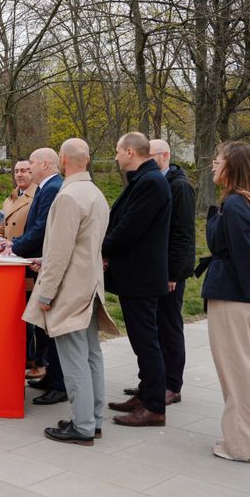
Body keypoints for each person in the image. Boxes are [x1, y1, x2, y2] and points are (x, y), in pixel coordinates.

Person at [24, 139, 118, 445]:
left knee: (75, 358)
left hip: (70, 290)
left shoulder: (67, 196)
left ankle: (82, 425)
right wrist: (45, 259)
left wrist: (45, 293)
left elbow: (61, 251)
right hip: (90, 286)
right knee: (91, 355)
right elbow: (79, 246)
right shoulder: (96, 194)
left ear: (63, 160)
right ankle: (93, 419)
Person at [203, 141, 250, 463]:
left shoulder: (234, 204)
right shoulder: (247, 202)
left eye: (218, 160)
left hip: (232, 297)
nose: (213, 164)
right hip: (242, 295)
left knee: (237, 372)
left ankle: (245, 446)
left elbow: (245, 254)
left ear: (232, 165)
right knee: (248, 370)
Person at [104, 132, 173, 427]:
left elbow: (129, 228)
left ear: (131, 151)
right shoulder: (145, 180)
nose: (117, 156)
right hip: (136, 275)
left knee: (146, 341)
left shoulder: (151, 183)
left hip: (141, 277)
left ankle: (155, 406)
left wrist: (99, 248)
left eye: (118, 151)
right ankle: (146, 393)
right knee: (141, 340)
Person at [122, 138, 196, 406]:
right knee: (152, 328)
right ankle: (152, 382)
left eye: (152, 155)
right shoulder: (153, 182)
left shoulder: (179, 186)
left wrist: (173, 274)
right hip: (154, 269)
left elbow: (182, 234)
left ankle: (172, 385)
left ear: (164, 155)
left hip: (170, 271)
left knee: (169, 326)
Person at [2, 148, 66, 405]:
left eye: (32, 163)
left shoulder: (52, 188)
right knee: (44, 327)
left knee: (51, 328)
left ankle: (59, 383)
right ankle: (51, 376)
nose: (28, 168)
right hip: (36, 261)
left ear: (46, 164)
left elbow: (41, 229)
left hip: (43, 263)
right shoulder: (45, 187)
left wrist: (14, 247)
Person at [0, 159, 42, 378]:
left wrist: (15, 247)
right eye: (16, 171)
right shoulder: (11, 197)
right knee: (16, 313)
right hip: (8, 265)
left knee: (31, 316)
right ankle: (20, 357)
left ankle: (35, 360)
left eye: (24, 170)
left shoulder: (37, 197)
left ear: (33, 172)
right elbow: (0, 226)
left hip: (29, 262)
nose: (19, 174)